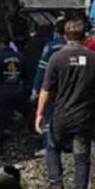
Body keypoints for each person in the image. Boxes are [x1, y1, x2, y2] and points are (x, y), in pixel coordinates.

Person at [36, 20, 95, 189]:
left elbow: (46, 90)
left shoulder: (56, 58)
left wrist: (39, 114)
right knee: (81, 157)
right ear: (85, 37)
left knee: (52, 148)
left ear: (65, 36)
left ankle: (57, 188)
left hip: (61, 115)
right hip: (84, 116)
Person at [31, 17, 68, 157]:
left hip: (52, 88)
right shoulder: (76, 47)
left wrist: (35, 88)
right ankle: (64, 143)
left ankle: (49, 146)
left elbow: (42, 69)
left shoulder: (51, 47)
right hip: (70, 89)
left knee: (48, 116)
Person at [0, 34, 32, 151]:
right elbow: (26, 75)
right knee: (28, 114)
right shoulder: (20, 56)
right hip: (17, 90)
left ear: (0, 43)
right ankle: (36, 134)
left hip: (1, 92)